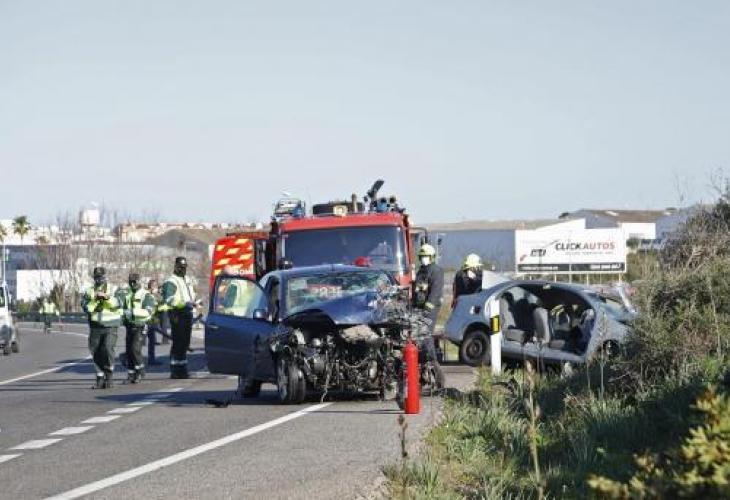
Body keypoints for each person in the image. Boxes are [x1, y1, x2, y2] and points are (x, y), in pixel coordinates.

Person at [81, 267, 123, 389]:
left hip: (110, 325)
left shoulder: (114, 289)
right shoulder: (89, 291)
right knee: (95, 351)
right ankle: (99, 377)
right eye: (97, 277)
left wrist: (107, 297)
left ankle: (109, 376)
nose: (99, 279)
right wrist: (95, 300)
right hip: (95, 325)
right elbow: (85, 307)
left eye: (101, 277)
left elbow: (119, 303)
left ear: (105, 276)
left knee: (107, 349)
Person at [412, 243, 445, 386]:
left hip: (430, 309)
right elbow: (416, 291)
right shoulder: (420, 271)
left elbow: (435, 292)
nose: (424, 258)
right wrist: (413, 306)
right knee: (416, 336)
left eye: (426, 256)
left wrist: (428, 307)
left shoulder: (436, 271)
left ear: (432, 257)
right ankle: (420, 366)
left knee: (426, 335)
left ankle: (432, 363)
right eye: (422, 256)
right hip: (419, 308)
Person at [162, 256, 199, 379]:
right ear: (176, 267)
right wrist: (184, 303)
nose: (183, 269)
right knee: (178, 342)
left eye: (184, 267)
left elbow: (190, 294)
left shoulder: (186, 279)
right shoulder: (171, 281)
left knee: (184, 343)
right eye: (180, 267)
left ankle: (182, 370)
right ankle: (175, 370)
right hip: (177, 313)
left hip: (187, 312)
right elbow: (169, 299)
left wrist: (194, 302)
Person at [117, 273, 156, 383]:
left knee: (135, 349)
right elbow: (122, 309)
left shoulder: (146, 295)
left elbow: (148, 311)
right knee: (129, 351)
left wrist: (133, 312)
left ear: (139, 281)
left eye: (135, 281)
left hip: (141, 325)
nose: (133, 284)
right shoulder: (127, 294)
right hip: (130, 325)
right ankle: (131, 375)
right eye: (131, 282)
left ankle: (140, 371)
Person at [145, 279, 164, 365]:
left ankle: (151, 359)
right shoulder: (146, 295)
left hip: (151, 321)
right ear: (151, 287)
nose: (156, 288)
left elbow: (160, 303)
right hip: (145, 321)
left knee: (151, 341)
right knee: (138, 341)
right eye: (155, 286)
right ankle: (131, 358)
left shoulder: (155, 296)